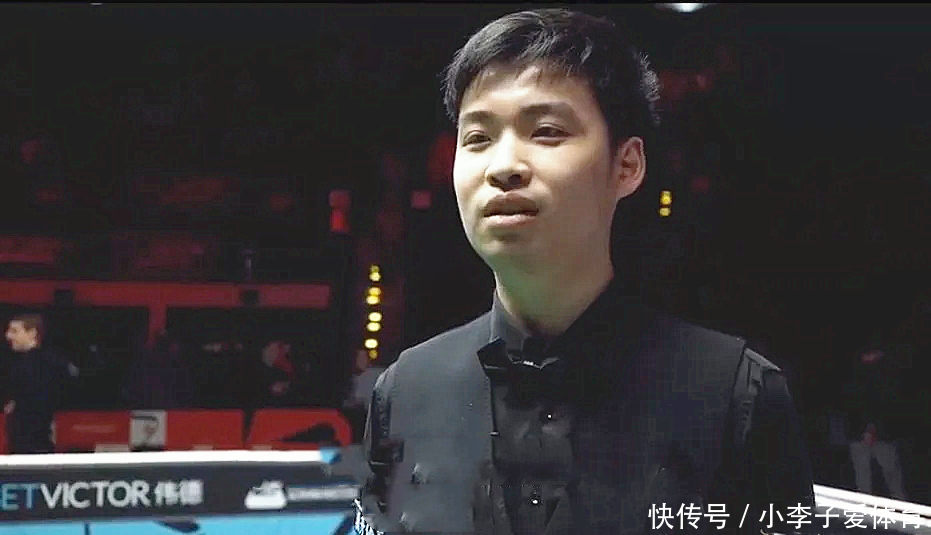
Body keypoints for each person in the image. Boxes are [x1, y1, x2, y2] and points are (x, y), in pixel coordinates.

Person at [354, 8, 815, 535]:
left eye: (547, 131)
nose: (503, 167)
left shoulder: (736, 395)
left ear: (627, 165)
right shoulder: (404, 393)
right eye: (477, 138)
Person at [844, 334, 907, 499]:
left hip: (881, 432)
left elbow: (885, 401)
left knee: (890, 477)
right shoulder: (858, 374)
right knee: (865, 479)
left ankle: (900, 506)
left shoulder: (885, 373)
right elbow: (856, 401)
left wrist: (872, 427)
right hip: (863, 431)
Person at [3, 313, 74, 454]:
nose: (8, 336)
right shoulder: (23, 363)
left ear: (32, 333)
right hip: (27, 442)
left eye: (14, 331)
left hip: (34, 443)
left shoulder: (43, 365)